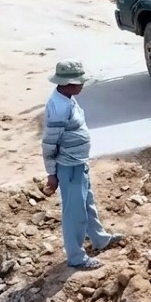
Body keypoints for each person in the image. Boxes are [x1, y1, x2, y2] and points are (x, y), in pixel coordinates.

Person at [40, 60, 121, 270]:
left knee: (87, 204)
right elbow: (49, 144)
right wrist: (51, 174)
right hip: (69, 167)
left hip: (78, 163)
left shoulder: (68, 98)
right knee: (75, 213)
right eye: (78, 82)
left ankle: (100, 239)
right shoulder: (58, 108)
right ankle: (76, 257)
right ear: (66, 83)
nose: (82, 85)